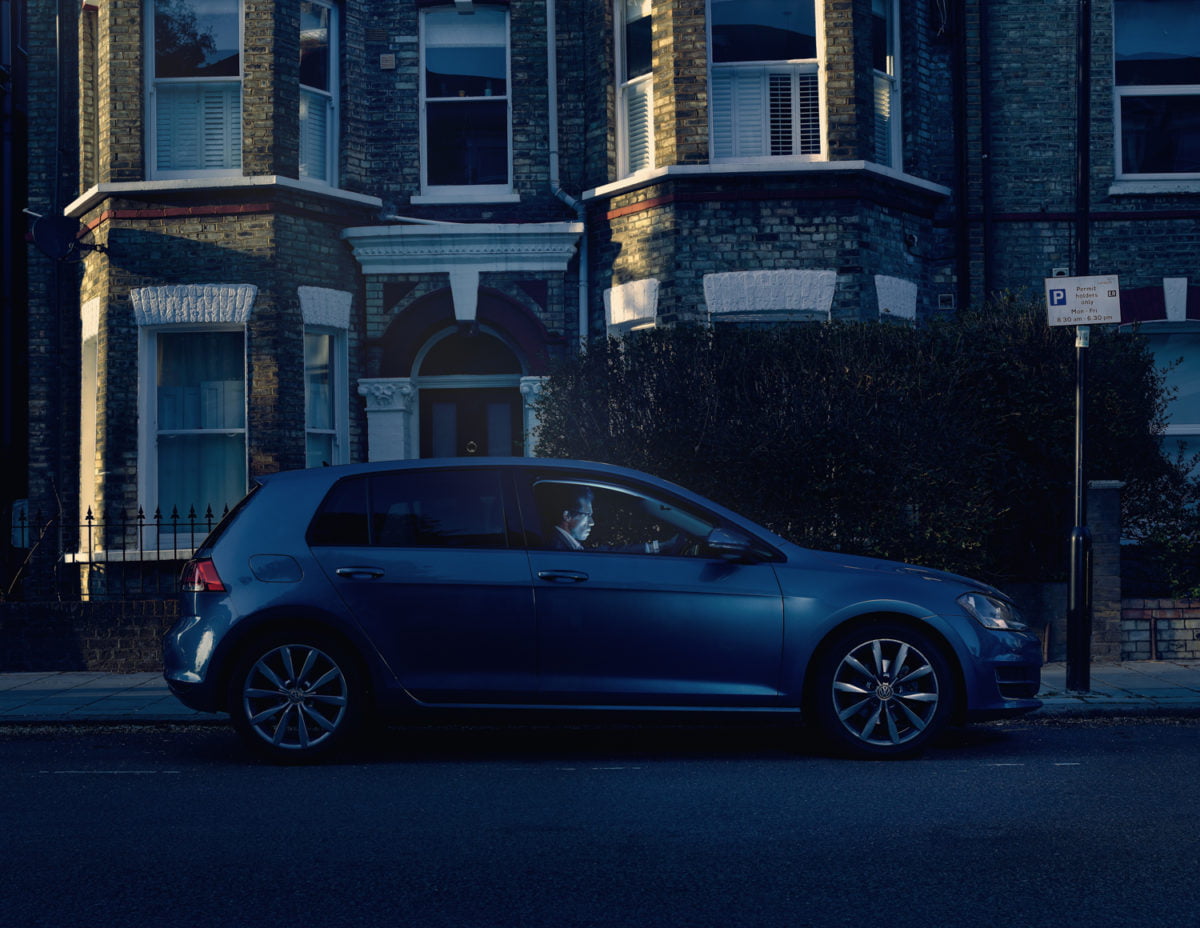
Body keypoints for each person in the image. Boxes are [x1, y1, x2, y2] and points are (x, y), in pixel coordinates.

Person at [548, 486, 684, 554]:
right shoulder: (555, 548)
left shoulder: (565, 544)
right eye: (587, 515)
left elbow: (609, 552)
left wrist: (660, 546)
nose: (592, 522)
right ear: (567, 516)